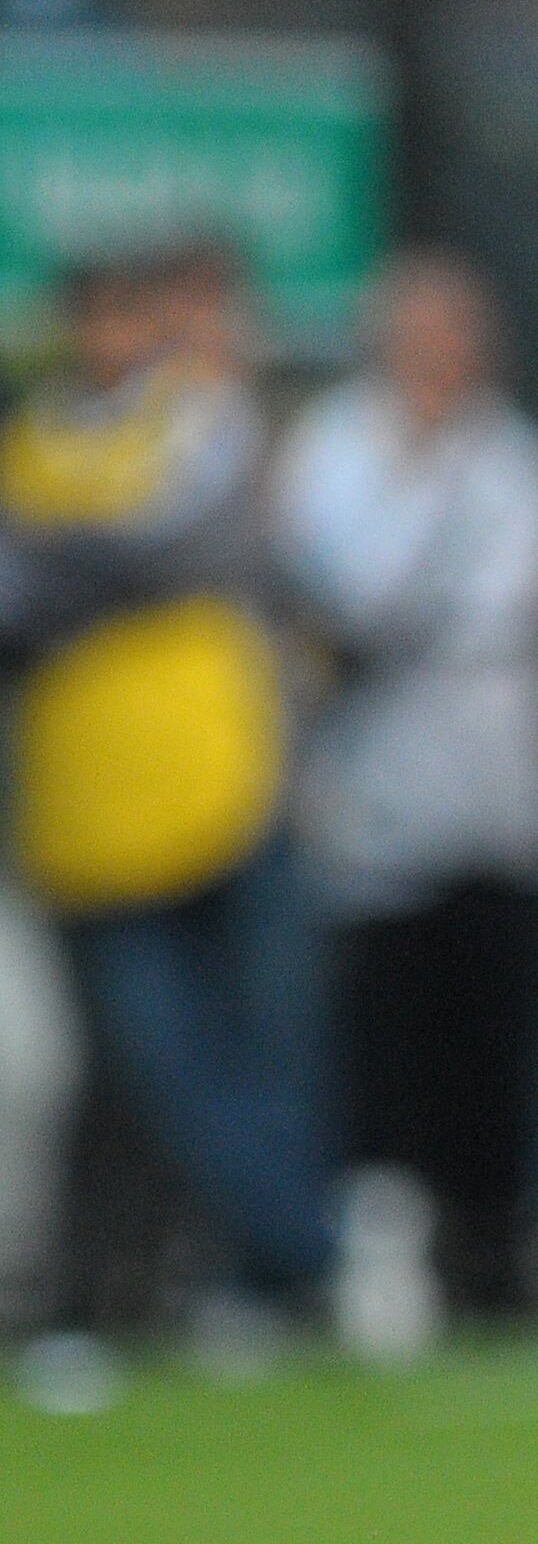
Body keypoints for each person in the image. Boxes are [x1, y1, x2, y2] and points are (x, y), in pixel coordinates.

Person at [0, 244, 331, 1327]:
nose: (109, 340)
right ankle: (292, 1254)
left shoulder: (201, 420)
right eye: (91, 318)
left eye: (125, 315)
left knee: (253, 1053)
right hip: (87, 805)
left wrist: (64, 565)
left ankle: (267, 1264)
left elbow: (199, 547)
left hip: (222, 782)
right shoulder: (32, 439)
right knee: (153, 1066)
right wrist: (112, 563)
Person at [272, 251, 538, 1321]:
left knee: (495, 1027)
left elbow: (510, 600)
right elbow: (337, 586)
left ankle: (494, 1243)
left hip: (495, 776)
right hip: (378, 776)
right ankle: (384, 1240)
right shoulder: (334, 448)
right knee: (383, 1021)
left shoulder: (515, 462)